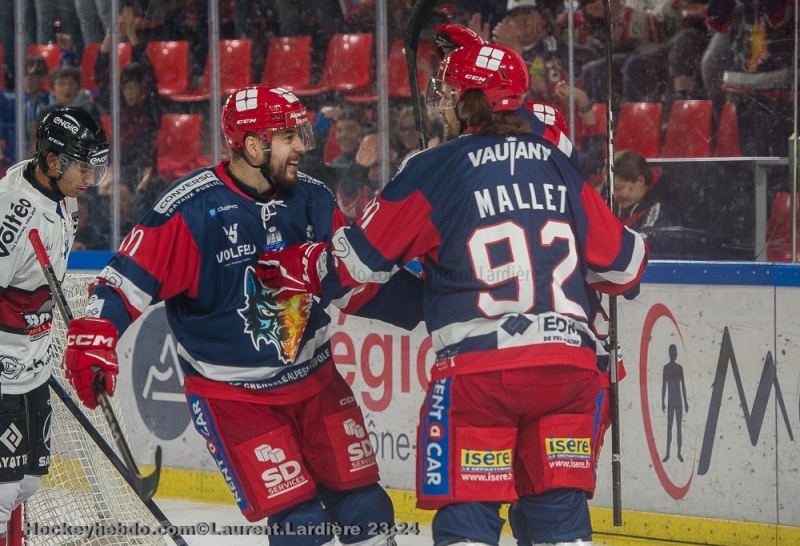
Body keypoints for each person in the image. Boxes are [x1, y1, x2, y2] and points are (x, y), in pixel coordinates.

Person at [258, 42, 649, 546]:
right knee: (559, 520)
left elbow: (357, 264)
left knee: (469, 518)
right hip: (568, 370)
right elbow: (627, 269)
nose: (441, 104)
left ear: (470, 102)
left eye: (448, 94)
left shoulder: (436, 166)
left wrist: (298, 265)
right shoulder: (556, 162)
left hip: (482, 377)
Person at [61, 84, 397, 546]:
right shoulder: (189, 210)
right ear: (254, 145)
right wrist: (97, 335)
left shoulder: (313, 199)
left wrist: (432, 298)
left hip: (317, 381)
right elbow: (124, 282)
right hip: (235, 399)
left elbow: (353, 285)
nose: (302, 145)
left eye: (302, 134)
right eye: (289, 136)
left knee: (367, 507)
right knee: (301, 528)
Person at [0, 106, 108, 542]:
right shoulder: (12, 218)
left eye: (94, 165)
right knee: (3, 491)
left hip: (34, 366)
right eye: (83, 165)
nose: (90, 176)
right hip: (4, 369)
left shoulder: (65, 198)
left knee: (28, 483)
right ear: (51, 161)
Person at [613, 149, 685, 258]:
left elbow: (646, 246)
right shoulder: (614, 202)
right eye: (610, 189)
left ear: (640, 181)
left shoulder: (662, 206)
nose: (614, 195)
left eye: (618, 188)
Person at [661, 344, 688, 463]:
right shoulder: (666, 368)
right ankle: (667, 453)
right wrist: (662, 401)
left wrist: (686, 401)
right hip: (671, 401)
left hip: (678, 400)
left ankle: (678, 453)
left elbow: (683, 386)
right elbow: (664, 386)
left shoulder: (679, 368)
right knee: (670, 427)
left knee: (678, 428)